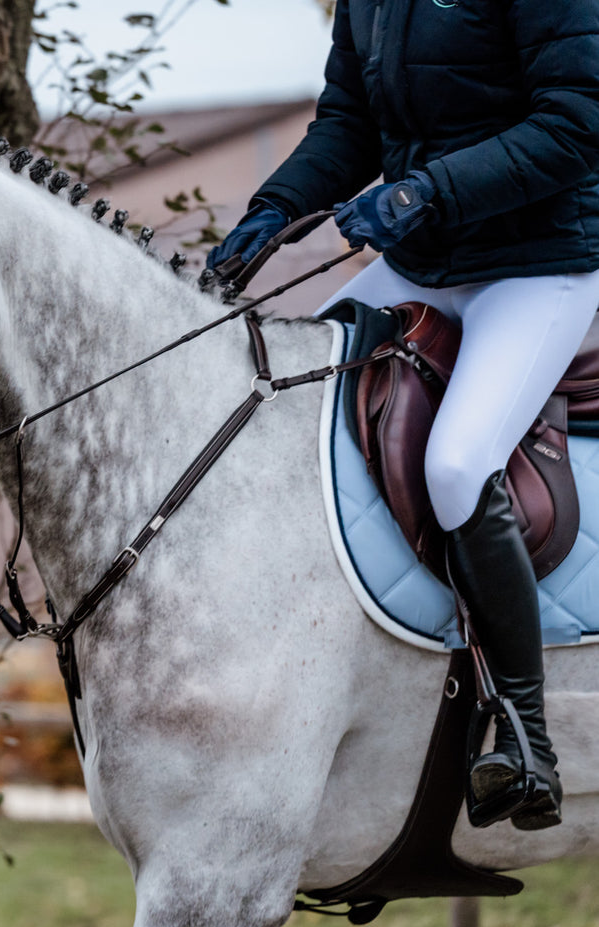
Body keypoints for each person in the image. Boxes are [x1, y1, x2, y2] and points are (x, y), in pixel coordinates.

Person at [208, 0, 599, 830]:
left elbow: (576, 124)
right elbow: (347, 122)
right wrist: (274, 207)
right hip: (421, 260)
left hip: (534, 265)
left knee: (456, 464)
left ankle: (524, 736)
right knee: (272, 395)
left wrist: (423, 190)